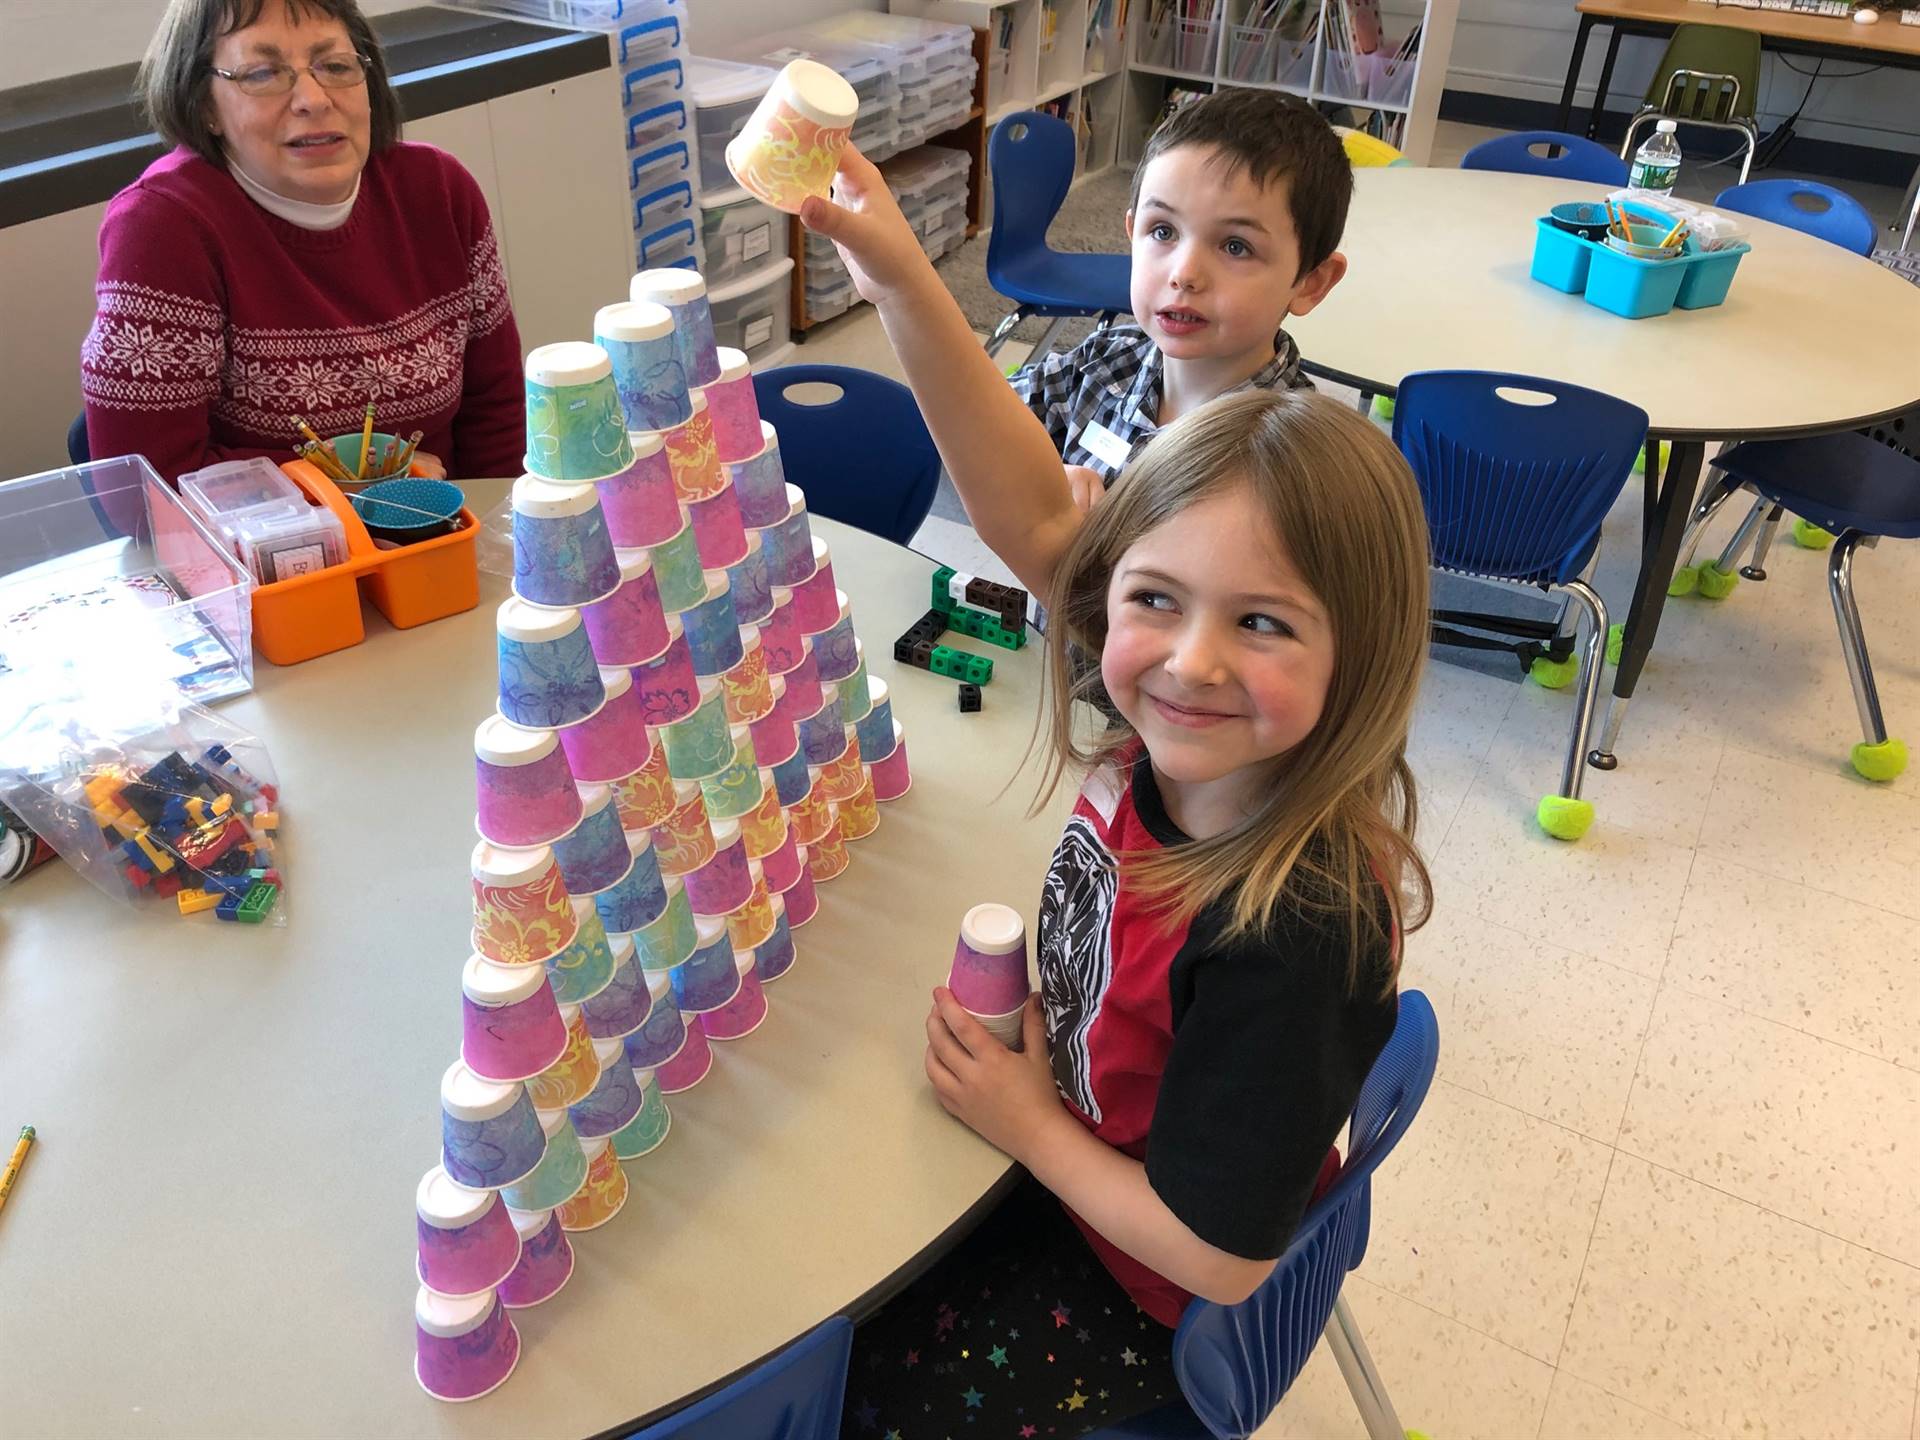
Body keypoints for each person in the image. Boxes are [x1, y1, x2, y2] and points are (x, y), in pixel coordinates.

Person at [803, 154, 1431, 1437]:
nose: (1191, 664)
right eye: (1155, 601)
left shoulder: (1296, 929)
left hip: (1133, 1286)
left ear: (1359, 651)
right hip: (1078, 1151)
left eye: (1262, 623)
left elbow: (1224, 1258)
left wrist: (1031, 1123)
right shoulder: (1157, 756)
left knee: (835, 1381)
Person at [81, 0, 524, 488]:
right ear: (206, 106)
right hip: (271, 557)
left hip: (442, 530)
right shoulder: (162, 228)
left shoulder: (440, 190)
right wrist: (339, 484)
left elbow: (497, 413)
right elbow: (145, 487)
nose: (312, 99)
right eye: (263, 73)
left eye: (335, 66)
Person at [1010, 88, 1353, 514]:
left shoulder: (1301, 467)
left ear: (1311, 282)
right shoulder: (1104, 362)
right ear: (1132, 233)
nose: (1184, 274)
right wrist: (1037, 473)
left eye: (1235, 246)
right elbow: (983, 419)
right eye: (1163, 232)